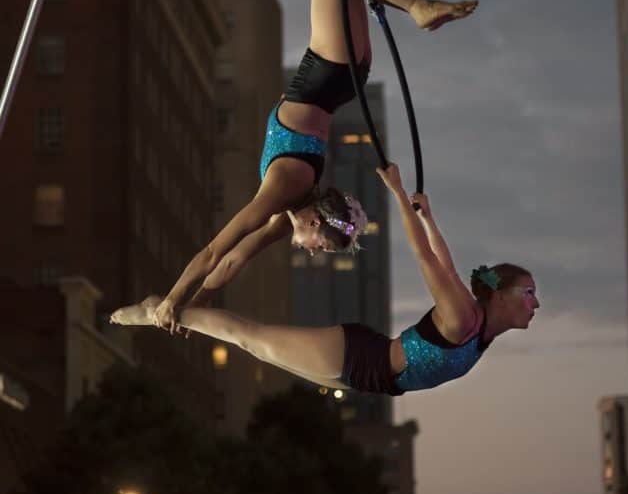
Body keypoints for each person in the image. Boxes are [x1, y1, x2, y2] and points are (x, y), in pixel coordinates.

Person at [150, 0, 478, 333]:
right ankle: (417, 7)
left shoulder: (285, 215)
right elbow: (215, 249)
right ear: (315, 221)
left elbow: (234, 261)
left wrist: (198, 303)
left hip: (343, 77)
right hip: (326, 72)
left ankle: (416, 6)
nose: (312, 251)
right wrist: (172, 298)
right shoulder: (283, 191)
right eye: (320, 245)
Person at [112, 163, 538, 395]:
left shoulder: (479, 325)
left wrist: (429, 216)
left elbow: (443, 260)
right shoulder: (464, 318)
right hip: (363, 358)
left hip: (373, 378)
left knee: (260, 350)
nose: (535, 303)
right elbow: (427, 260)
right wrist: (399, 193)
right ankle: (158, 310)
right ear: (500, 296)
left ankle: (168, 310)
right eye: (529, 293)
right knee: (250, 337)